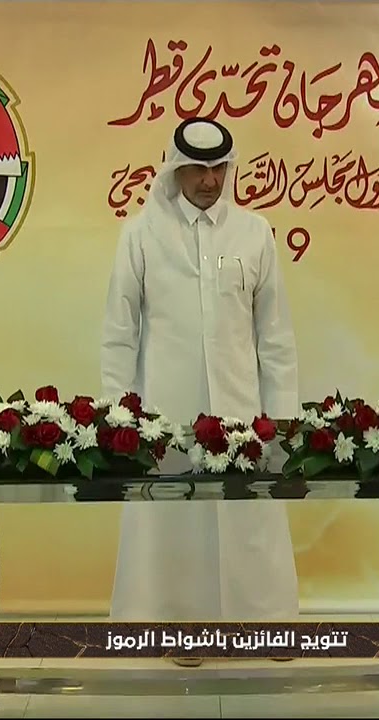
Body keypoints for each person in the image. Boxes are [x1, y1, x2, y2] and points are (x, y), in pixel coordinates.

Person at [100, 117, 301, 662]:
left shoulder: (255, 233)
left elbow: (275, 337)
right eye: (197, 169)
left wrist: (282, 418)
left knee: (251, 521)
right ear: (174, 169)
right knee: (176, 525)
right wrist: (120, 418)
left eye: (218, 169)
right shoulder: (141, 235)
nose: (210, 181)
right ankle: (179, 630)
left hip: (242, 414)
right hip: (167, 415)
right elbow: (120, 334)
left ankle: (267, 626)